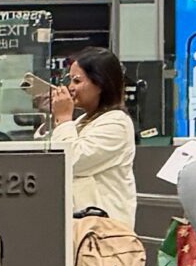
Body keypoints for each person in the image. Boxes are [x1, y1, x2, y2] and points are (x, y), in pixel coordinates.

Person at [49, 45, 135, 224]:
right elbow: (50, 156)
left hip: (104, 230)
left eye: (77, 81)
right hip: (79, 225)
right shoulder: (82, 121)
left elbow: (71, 161)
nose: (70, 87)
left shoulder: (116, 123)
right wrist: (53, 117)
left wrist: (63, 118)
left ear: (100, 84)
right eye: (70, 80)